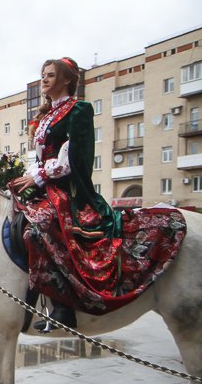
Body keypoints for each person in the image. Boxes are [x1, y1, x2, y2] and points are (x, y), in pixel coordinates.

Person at [11, 57, 123, 331]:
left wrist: (38, 176)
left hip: (68, 188)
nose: (44, 79)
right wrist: (26, 177)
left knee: (40, 226)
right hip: (45, 185)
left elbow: (72, 158)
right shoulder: (46, 115)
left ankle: (63, 306)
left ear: (67, 80)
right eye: (43, 75)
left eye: (50, 75)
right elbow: (40, 158)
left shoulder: (78, 109)